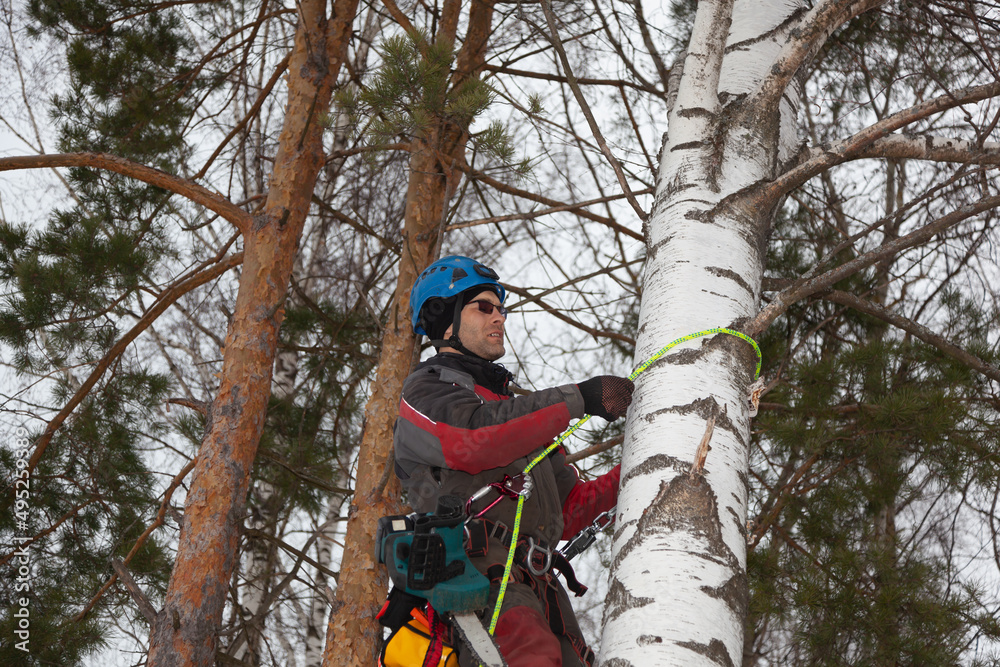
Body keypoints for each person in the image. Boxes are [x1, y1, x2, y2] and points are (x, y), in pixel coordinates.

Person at [393, 255, 634, 667]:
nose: (499, 318)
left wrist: (642, 466)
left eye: (501, 309)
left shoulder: (515, 414)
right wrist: (579, 398)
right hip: (478, 580)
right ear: (446, 323)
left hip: (540, 590)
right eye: (483, 307)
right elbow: (471, 439)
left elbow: (571, 508)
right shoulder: (425, 392)